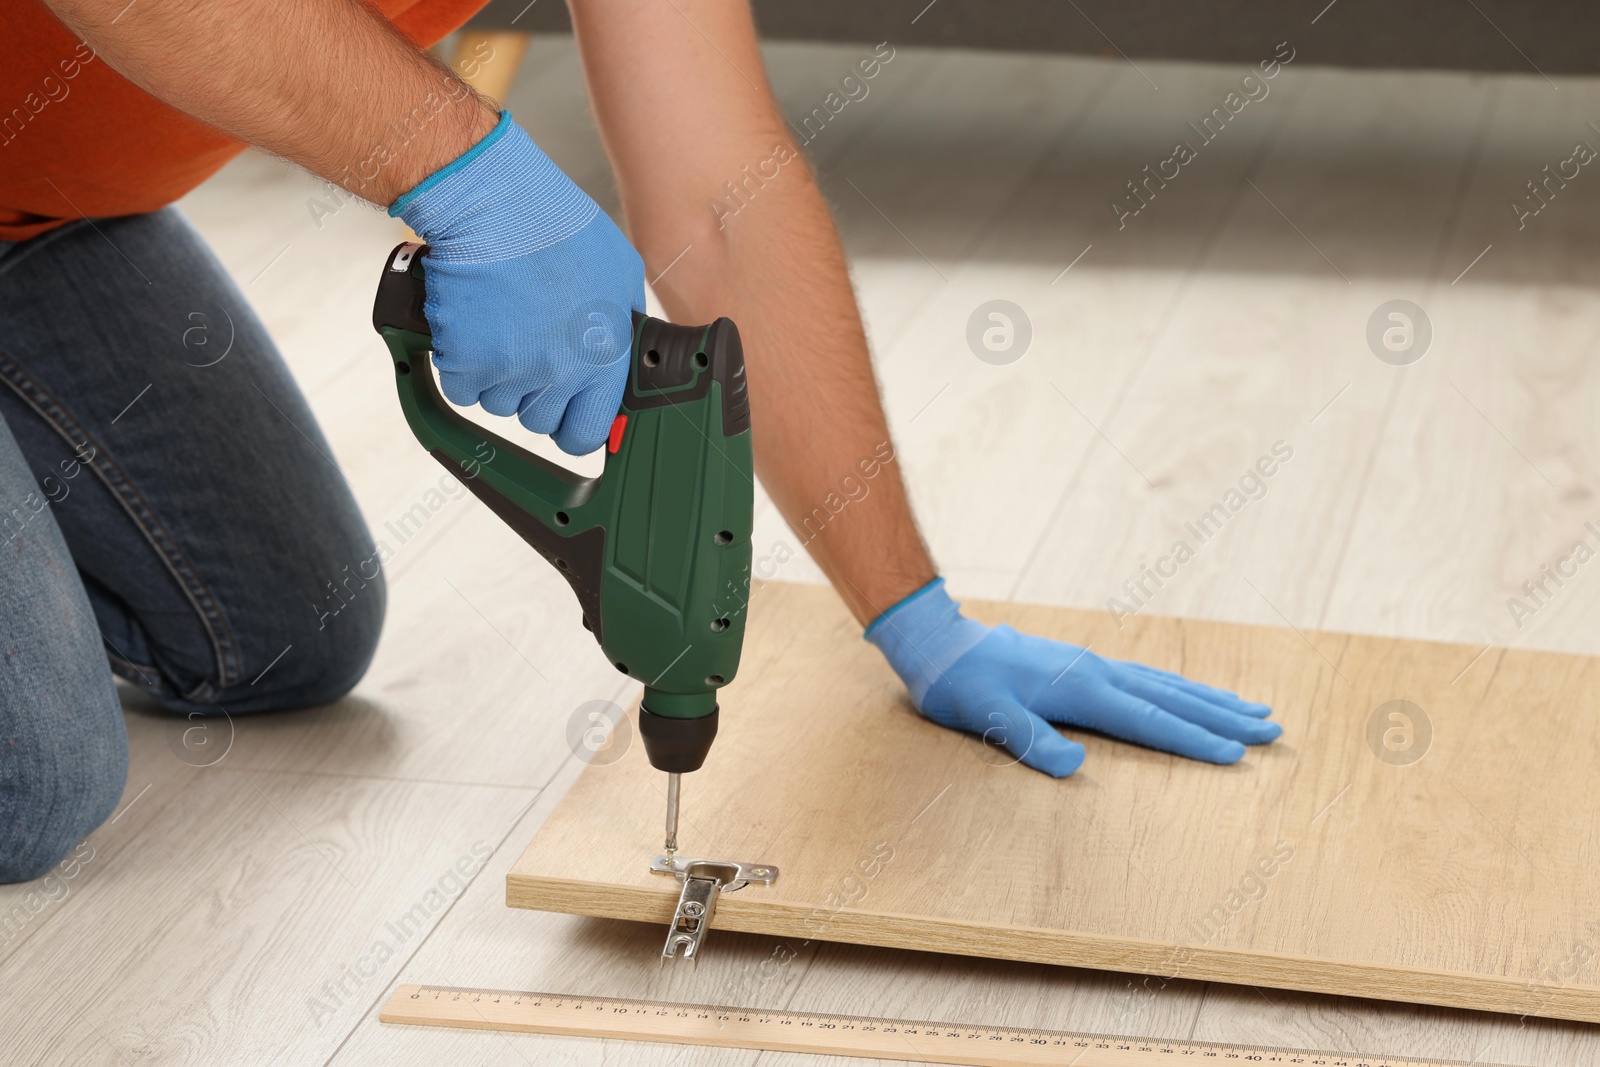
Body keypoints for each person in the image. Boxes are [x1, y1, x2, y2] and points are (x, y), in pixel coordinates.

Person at [0, 0, 1281, 883]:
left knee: (275, 636)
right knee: (37, 778)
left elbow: (722, 200)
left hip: (39, 223)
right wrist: (469, 171)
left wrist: (916, 615)